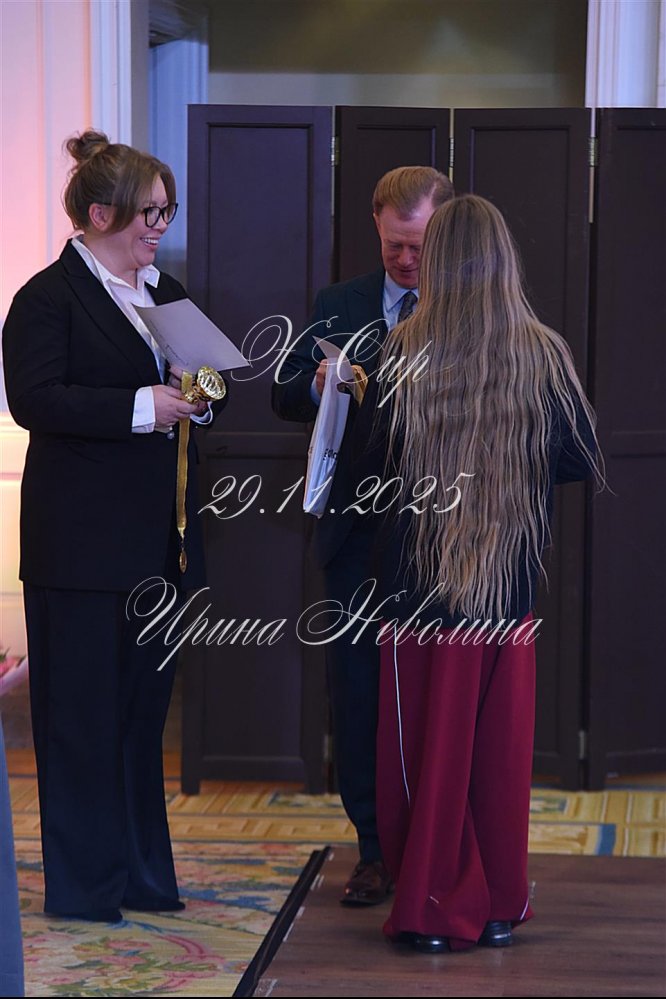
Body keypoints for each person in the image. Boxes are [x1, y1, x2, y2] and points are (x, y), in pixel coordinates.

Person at [348, 194, 602, 951]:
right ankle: (494, 907)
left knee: (424, 754)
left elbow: (374, 468)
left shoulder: (402, 350)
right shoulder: (542, 351)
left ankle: (429, 908)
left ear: (437, 261)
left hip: (419, 588)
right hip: (503, 585)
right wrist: (508, 469)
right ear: (501, 261)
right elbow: (577, 458)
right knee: (495, 755)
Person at [2, 130, 227, 923]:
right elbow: (35, 400)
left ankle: (139, 876)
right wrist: (143, 406)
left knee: (138, 719)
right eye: (147, 213)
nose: (159, 228)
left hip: (156, 546)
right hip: (78, 550)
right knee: (80, 722)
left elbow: (211, 381)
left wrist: (199, 392)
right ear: (100, 214)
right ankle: (85, 887)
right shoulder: (46, 298)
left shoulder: (165, 292)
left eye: (167, 212)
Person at [272, 166, 454, 904]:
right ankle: (373, 850)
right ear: (375, 226)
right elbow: (282, 390)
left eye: (419, 247)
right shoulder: (338, 303)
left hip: (443, 537)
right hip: (354, 536)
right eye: (393, 247)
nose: (406, 261)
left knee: (434, 701)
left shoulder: (468, 303)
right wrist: (318, 383)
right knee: (357, 697)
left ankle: (434, 849)